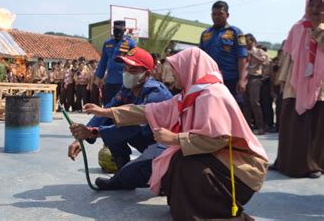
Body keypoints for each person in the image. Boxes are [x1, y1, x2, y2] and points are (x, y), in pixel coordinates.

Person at [84, 48, 268, 220]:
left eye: (176, 70)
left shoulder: (212, 95)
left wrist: (174, 139)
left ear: (190, 69)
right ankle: (188, 207)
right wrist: (105, 113)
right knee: (177, 159)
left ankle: (214, 211)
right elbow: (148, 111)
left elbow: (218, 139)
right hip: (220, 159)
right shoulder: (189, 96)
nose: (172, 75)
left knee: (186, 164)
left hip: (241, 168)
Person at [69, 47, 173, 190]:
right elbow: (105, 112)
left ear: (147, 74)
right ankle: (122, 170)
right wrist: (81, 138)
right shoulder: (128, 89)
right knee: (112, 119)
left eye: (133, 70)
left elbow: (132, 126)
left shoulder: (156, 93)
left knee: (133, 174)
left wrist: (93, 132)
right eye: (125, 68)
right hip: (146, 139)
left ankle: (162, 179)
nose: (126, 73)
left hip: (165, 146)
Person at [270, 0, 324, 179]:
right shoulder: (298, 27)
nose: (315, 9)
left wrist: (318, 29)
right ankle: (284, 161)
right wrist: (282, 79)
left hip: (319, 86)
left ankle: (312, 165)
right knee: (289, 123)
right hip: (295, 84)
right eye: (312, 5)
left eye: (320, 6)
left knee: (314, 126)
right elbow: (287, 55)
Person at [199, 1, 248, 102]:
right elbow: (200, 58)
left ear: (227, 15)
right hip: (210, 80)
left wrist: (242, 80)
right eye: (214, 14)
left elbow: (242, 58)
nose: (216, 17)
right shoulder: (205, 34)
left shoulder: (238, 33)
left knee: (233, 108)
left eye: (220, 14)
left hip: (231, 79)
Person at [94, 20, 137, 106]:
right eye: (115, 30)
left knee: (122, 107)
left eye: (119, 30)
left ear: (124, 30)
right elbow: (103, 61)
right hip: (110, 81)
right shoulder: (107, 43)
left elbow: (135, 62)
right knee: (108, 106)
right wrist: (98, 77)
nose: (117, 33)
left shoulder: (130, 44)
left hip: (124, 82)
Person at [242, 34, 268, 135]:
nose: (245, 43)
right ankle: (248, 127)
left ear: (252, 41)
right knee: (246, 104)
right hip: (245, 78)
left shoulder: (259, 51)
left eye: (247, 41)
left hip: (255, 78)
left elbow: (263, 61)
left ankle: (260, 126)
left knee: (255, 103)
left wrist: (252, 54)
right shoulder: (243, 52)